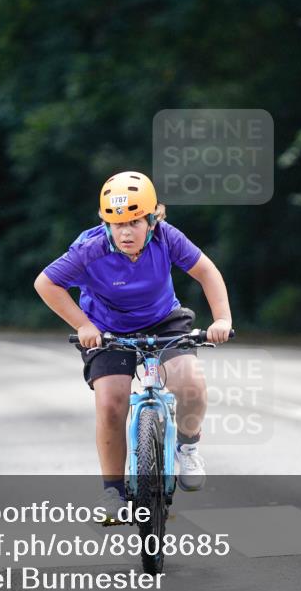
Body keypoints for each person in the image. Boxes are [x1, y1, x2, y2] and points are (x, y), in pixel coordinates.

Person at [34, 171, 233, 521]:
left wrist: (222, 320)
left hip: (163, 319)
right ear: (106, 223)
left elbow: (207, 272)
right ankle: (113, 491)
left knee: (190, 382)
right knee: (111, 402)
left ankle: (188, 446)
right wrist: (84, 325)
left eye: (134, 222)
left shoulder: (167, 237)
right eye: (117, 224)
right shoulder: (89, 248)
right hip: (107, 330)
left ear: (152, 219)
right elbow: (46, 283)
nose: (125, 232)